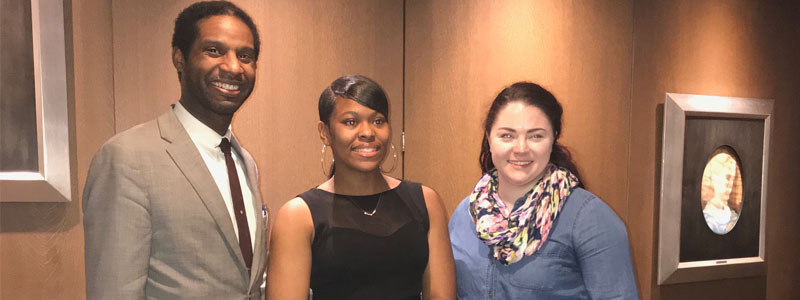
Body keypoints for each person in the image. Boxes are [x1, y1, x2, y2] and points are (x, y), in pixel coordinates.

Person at [82, 2, 267, 299]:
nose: (233, 66)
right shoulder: (127, 159)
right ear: (179, 59)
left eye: (245, 56)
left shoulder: (245, 161)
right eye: (214, 50)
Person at [266, 75, 456, 300]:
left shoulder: (425, 201)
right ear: (324, 132)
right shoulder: (298, 216)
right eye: (350, 122)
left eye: (378, 121)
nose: (368, 133)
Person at [448, 82, 638, 299]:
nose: (521, 149)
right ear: (489, 138)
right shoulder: (465, 215)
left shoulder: (589, 218)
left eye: (536, 136)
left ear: (553, 138)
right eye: (507, 135)